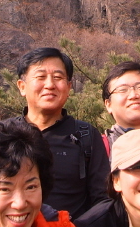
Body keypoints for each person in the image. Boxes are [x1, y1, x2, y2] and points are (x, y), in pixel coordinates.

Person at [15, 47, 109, 218]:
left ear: (69, 87)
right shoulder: (4, 135)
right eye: (40, 77)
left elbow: (102, 198)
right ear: (22, 87)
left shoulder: (86, 135)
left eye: (58, 77)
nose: (50, 85)